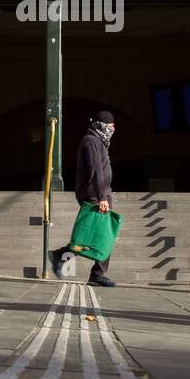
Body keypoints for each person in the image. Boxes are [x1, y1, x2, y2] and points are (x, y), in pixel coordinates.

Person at [49, 111, 117, 287]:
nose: (113, 129)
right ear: (100, 126)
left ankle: (66, 259)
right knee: (98, 235)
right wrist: (102, 197)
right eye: (110, 126)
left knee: (104, 235)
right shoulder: (92, 141)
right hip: (94, 194)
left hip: (101, 193)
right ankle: (92, 271)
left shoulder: (98, 141)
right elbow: (96, 171)